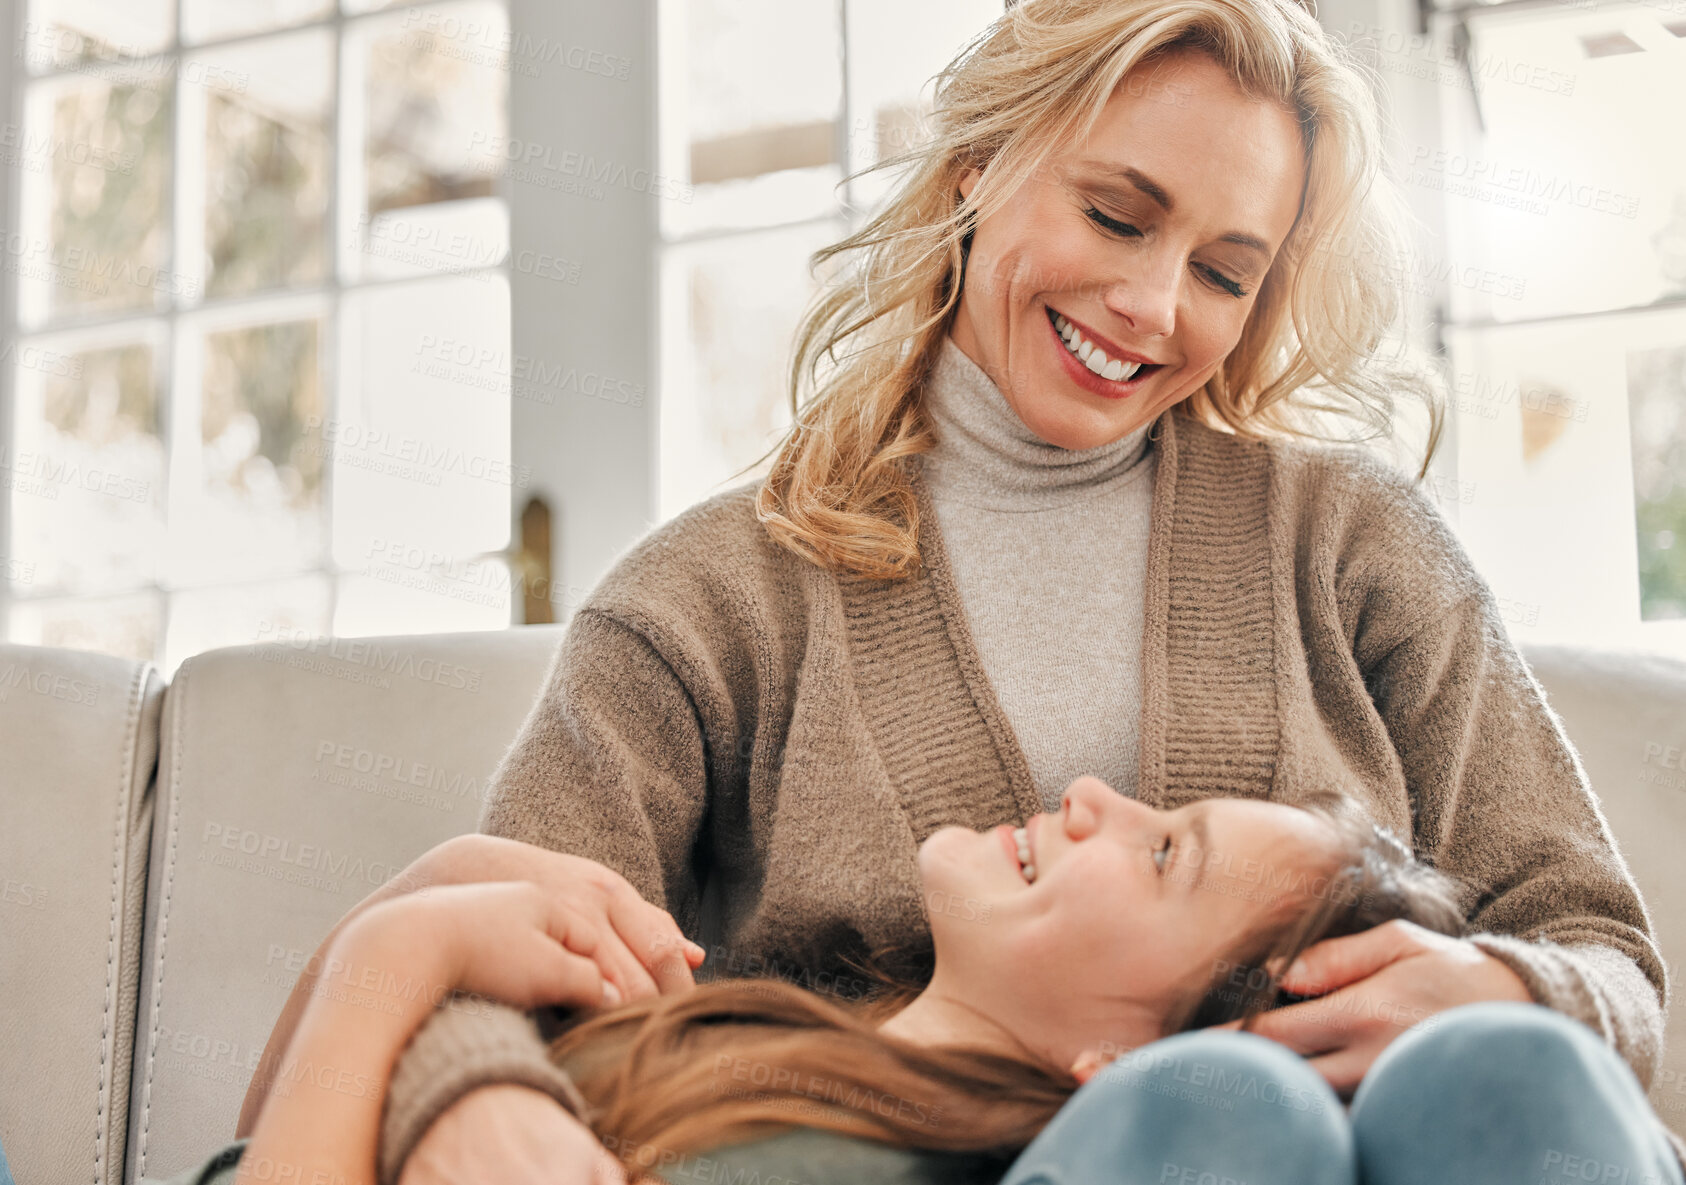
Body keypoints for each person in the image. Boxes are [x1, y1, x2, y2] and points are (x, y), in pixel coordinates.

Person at [239, 0, 1674, 1181]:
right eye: (1117, 215)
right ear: (978, 161)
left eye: (1224, 273)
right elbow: (514, 930)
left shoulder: (1351, 540)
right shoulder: (705, 604)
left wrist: (1516, 988)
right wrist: (476, 1101)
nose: (1154, 308)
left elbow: (1597, 942)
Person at [187, 782, 1678, 1185]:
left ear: (1119, 1066)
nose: (1089, 792)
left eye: (1161, 856)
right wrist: (427, 895)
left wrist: (405, 945)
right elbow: (261, 1151)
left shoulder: (1132, 1132)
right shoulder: (707, 1011)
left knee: (1507, 1076)